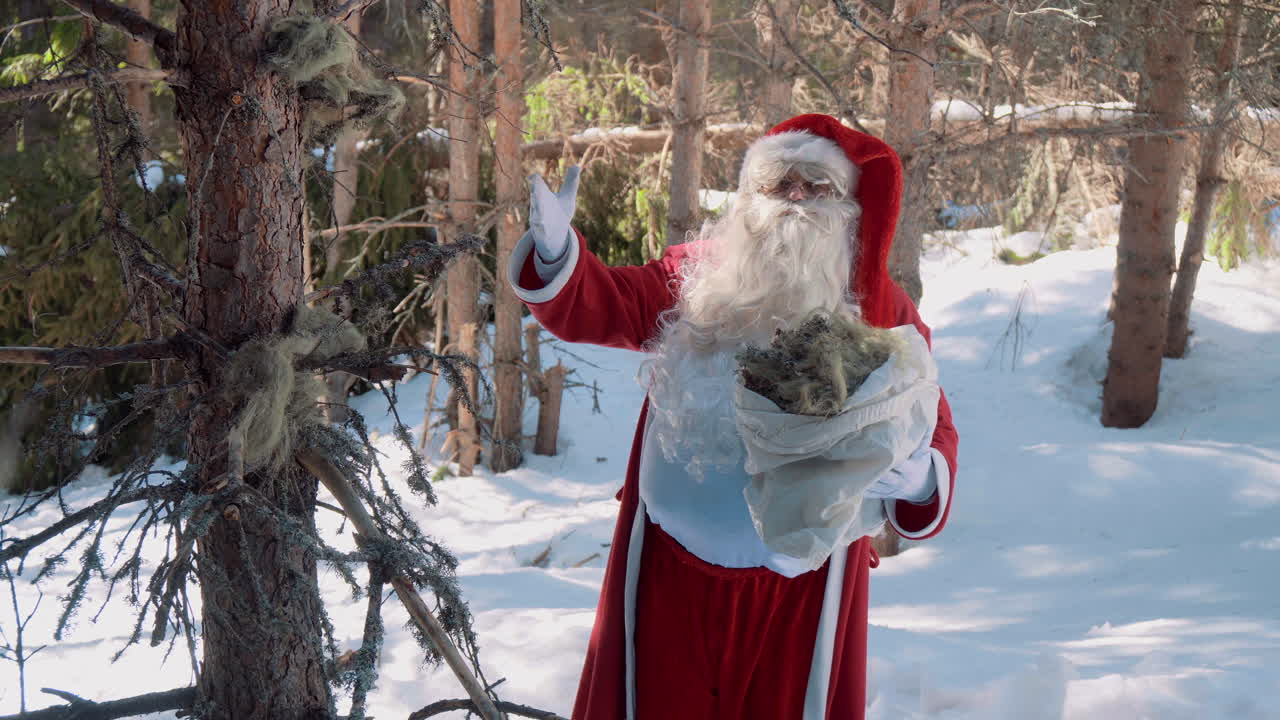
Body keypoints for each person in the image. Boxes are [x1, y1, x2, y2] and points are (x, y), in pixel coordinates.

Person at [507, 113, 958, 720]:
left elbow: (933, 423)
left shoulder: (877, 309)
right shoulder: (693, 281)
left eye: (816, 186)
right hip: (671, 577)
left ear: (847, 207)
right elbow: (601, 305)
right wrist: (559, 252)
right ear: (747, 197)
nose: (795, 199)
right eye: (779, 182)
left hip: (799, 591)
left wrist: (918, 476)